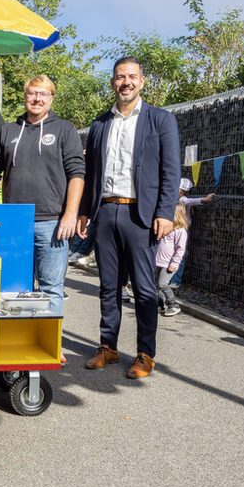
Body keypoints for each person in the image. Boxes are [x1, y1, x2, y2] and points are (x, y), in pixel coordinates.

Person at [77, 56, 181, 380]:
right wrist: (84, 210)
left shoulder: (160, 120)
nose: (126, 82)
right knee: (108, 285)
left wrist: (165, 213)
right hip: (106, 211)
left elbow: (170, 170)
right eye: (120, 77)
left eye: (132, 76)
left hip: (141, 215)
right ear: (113, 82)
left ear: (142, 81)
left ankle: (145, 354)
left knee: (145, 288)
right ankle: (107, 347)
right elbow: (91, 172)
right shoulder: (100, 124)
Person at [0, 75, 85, 316]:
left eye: (43, 94)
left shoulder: (64, 129)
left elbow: (77, 173)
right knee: (13, 288)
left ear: (51, 98)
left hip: (52, 223)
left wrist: (70, 214)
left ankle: (49, 348)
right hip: (13, 222)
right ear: (25, 96)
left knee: (51, 288)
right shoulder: (7, 130)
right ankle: (17, 343)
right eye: (32, 93)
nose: (37, 98)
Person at [171, 178, 215, 287]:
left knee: (179, 255)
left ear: (182, 190)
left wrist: (204, 199)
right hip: (172, 229)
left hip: (182, 229)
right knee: (171, 254)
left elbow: (190, 201)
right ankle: (169, 278)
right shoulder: (174, 197)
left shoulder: (183, 200)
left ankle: (175, 280)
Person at [156, 203, 188, 317]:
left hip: (169, 263)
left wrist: (174, 263)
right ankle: (161, 304)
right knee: (157, 285)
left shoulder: (180, 231)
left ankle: (173, 304)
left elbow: (180, 249)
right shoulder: (167, 228)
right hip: (159, 261)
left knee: (163, 283)